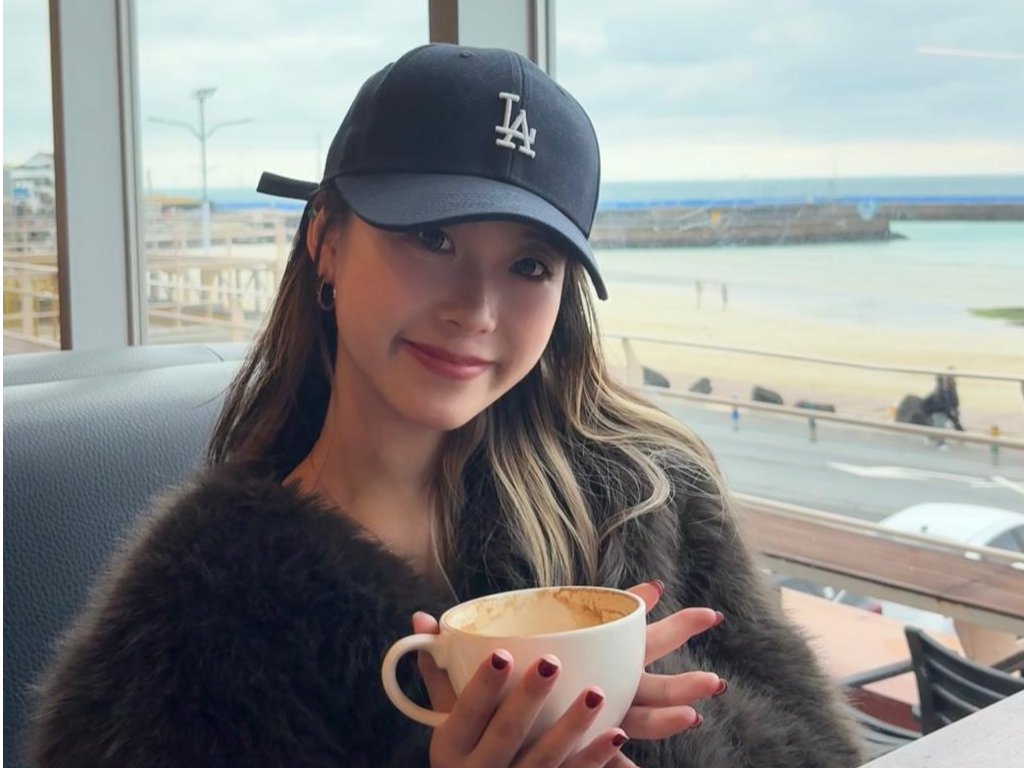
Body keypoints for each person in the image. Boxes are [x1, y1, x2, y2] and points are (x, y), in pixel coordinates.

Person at [29, 44, 862, 767]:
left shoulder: (645, 500)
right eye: (433, 238)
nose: (478, 310)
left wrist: (648, 725)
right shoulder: (202, 607)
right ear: (324, 240)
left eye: (529, 266)